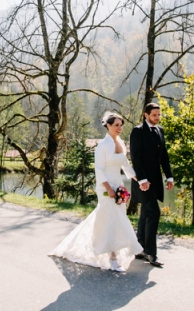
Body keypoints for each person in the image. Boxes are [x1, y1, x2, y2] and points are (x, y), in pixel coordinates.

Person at [50, 112, 142, 272]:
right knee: (113, 220)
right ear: (108, 126)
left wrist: (139, 180)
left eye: (121, 125)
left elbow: (125, 166)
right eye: (116, 125)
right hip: (106, 188)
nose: (120, 128)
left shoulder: (121, 142)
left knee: (114, 218)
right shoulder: (103, 146)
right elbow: (99, 170)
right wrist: (108, 188)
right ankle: (113, 258)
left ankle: (101, 248)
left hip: (119, 186)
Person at [130, 103, 174, 268]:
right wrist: (142, 180)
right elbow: (136, 157)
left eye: (158, 115)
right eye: (154, 115)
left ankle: (140, 248)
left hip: (155, 182)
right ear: (146, 115)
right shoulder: (138, 131)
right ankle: (151, 253)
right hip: (143, 182)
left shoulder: (160, 131)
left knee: (145, 214)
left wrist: (169, 177)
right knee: (154, 213)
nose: (157, 118)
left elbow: (164, 157)